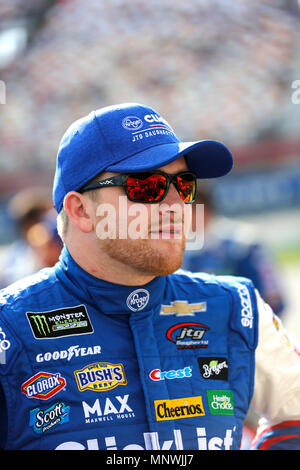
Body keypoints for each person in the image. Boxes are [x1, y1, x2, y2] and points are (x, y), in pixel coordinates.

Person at [0, 102, 300, 451]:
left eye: (185, 185)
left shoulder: (237, 308)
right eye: (147, 187)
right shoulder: (9, 329)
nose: (177, 205)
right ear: (81, 211)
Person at [182, 184, 285, 317]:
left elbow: (273, 298)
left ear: (206, 209)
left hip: (246, 328)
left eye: (192, 208)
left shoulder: (243, 241)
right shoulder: (180, 249)